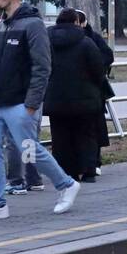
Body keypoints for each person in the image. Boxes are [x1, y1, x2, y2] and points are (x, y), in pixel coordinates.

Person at [0, 0, 81, 221]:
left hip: (20, 103)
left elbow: (42, 66)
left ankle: (66, 184)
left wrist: (32, 103)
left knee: (29, 151)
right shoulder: (0, 25)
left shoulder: (33, 25)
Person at [43, 9, 107, 181]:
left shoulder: (46, 40)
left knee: (60, 137)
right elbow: (98, 69)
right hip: (85, 99)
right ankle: (88, 171)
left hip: (55, 98)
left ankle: (66, 172)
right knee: (86, 135)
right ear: (76, 22)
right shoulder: (86, 42)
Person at [75, 10, 114, 181]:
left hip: (93, 92)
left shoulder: (93, 38)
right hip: (74, 93)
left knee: (94, 129)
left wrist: (95, 70)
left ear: (83, 23)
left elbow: (107, 56)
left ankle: (94, 163)